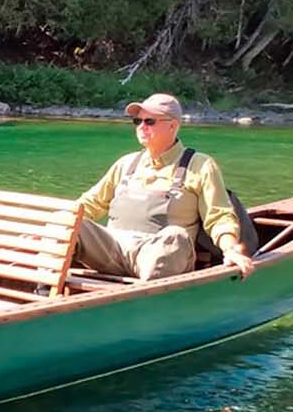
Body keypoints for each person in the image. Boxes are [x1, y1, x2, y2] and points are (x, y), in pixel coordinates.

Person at [75, 93, 256, 280]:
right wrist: (54, 224)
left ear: (173, 125)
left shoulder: (200, 165)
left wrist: (231, 250)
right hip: (112, 252)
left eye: (150, 121)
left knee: (175, 236)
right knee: (72, 223)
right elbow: (89, 204)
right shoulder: (125, 163)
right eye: (138, 121)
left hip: (158, 255)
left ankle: (147, 298)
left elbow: (219, 216)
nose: (142, 127)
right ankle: (45, 289)